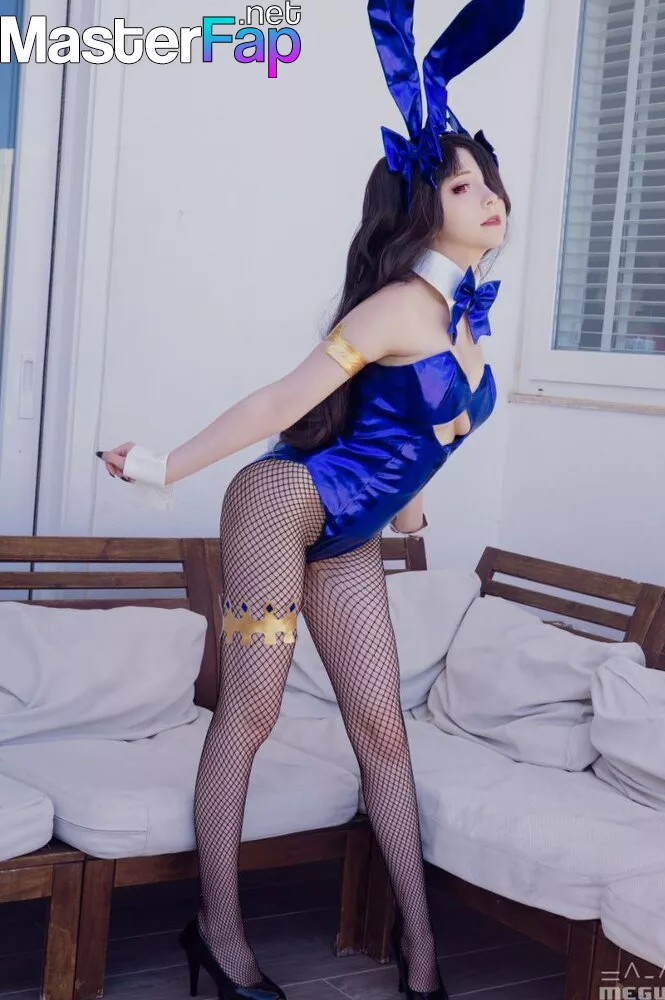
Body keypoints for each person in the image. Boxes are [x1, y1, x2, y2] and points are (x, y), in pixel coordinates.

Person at [98, 4, 525, 998]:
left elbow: (418, 444)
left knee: (383, 729)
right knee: (251, 710)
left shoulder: (467, 321)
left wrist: (410, 513)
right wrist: (163, 465)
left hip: (348, 534)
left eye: (488, 180)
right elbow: (281, 404)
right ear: (423, 206)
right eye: (462, 185)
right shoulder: (400, 306)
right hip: (278, 506)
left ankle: (423, 954)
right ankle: (218, 933)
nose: (488, 197)